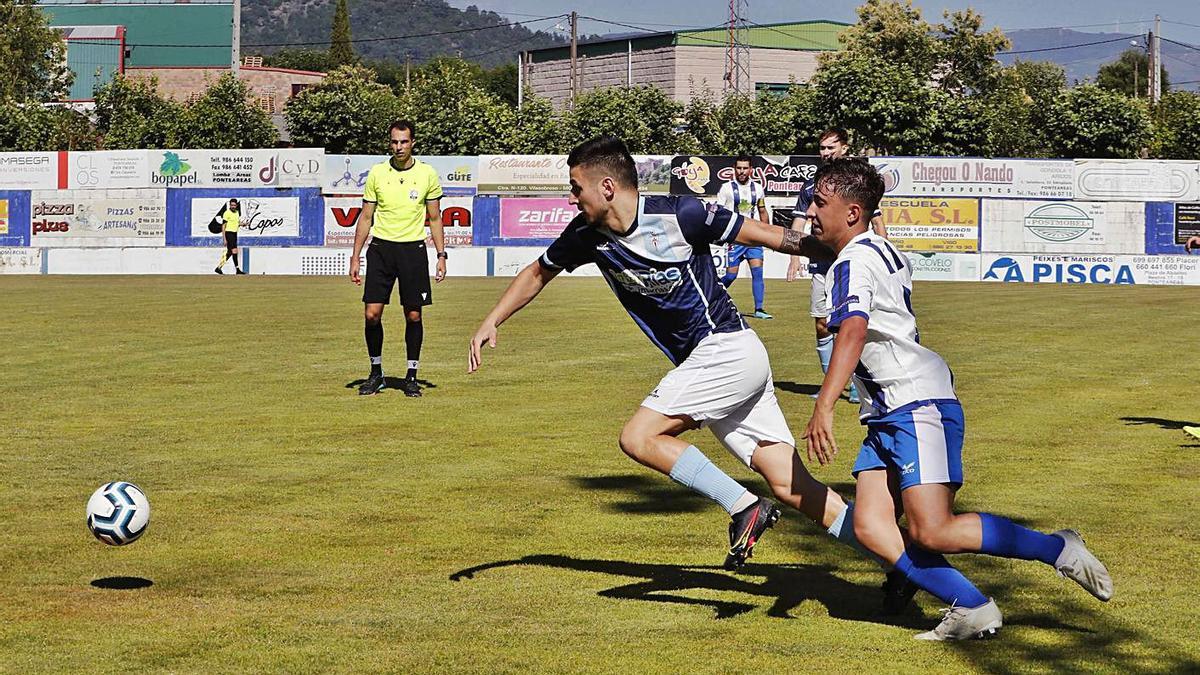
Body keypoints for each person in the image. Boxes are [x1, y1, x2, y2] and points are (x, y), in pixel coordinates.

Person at [469, 135, 903, 576]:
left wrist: (844, 250)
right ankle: (903, 564)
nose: (570, 198)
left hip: (726, 350)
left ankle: (743, 506)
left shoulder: (683, 212)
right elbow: (539, 271)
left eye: (576, 187)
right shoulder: (585, 235)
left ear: (605, 187)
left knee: (639, 437)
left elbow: (772, 235)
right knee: (792, 486)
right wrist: (492, 320)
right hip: (722, 361)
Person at [800, 157, 1113, 641]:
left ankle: (1057, 548)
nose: (812, 211)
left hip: (912, 405)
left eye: (820, 203)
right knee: (870, 528)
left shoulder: (854, 261)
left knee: (933, 530)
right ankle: (971, 606)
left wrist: (823, 404)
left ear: (853, 212)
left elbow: (853, 329)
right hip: (890, 411)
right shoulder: (881, 250)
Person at [787, 128, 887, 405]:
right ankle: (831, 380)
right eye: (822, 148)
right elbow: (798, 222)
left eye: (831, 147)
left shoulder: (857, 183)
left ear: (843, 147)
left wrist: (882, 250)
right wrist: (794, 257)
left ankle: (855, 382)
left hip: (850, 264)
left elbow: (877, 222)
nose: (826, 153)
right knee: (821, 324)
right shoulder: (811, 188)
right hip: (821, 266)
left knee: (849, 323)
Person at [350, 120, 447, 397]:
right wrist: (355, 256)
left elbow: (436, 218)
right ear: (389, 143)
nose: (399, 146)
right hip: (381, 250)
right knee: (371, 314)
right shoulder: (378, 173)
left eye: (404, 141)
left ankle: (411, 376)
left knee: (414, 315)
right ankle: (376, 372)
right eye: (394, 141)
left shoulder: (427, 174)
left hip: (413, 251)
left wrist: (441, 255)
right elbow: (366, 217)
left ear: (412, 142)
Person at [716, 155, 772, 319]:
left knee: (757, 272)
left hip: (754, 238)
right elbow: (718, 212)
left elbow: (762, 211)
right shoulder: (726, 188)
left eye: (745, 168)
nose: (741, 171)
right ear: (734, 169)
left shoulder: (758, 188)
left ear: (750, 170)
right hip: (735, 237)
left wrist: (767, 233)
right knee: (731, 275)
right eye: (739, 168)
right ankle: (713, 294)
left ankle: (759, 309)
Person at [214, 198, 245, 275]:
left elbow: (236, 223)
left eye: (234, 205)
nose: (233, 206)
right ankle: (237, 270)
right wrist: (224, 238)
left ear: (236, 205)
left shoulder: (237, 212)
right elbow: (223, 226)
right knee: (234, 250)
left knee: (230, 252)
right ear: (230, 205)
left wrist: (243, 224)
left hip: (234, 233)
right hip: (229, 233)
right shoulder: (226, 213)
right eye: (232, 205)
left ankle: (219, 268)